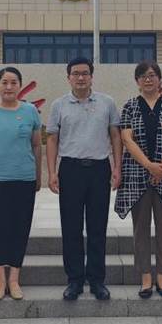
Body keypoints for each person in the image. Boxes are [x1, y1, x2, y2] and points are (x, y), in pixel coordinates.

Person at [46, 57, 122, 302]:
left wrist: (117, 167)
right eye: (76, 73)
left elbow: (115, 136)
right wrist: (52, 172)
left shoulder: (107, 102)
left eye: (85, 73)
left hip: (99, 169)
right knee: (71, 227)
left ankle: (97, 280)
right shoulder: (59, 105)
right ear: (68, 77)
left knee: (97, 227)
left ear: (91, 76)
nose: (80, 77)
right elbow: (52, 139)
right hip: (70, 169)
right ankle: (75, 280)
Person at [115, 60, 162, 299]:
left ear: (160, 79)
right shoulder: (130, 106)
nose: (148, 79)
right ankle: (146, 277)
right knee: (141, 229)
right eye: (143, 76)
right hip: (137, 176)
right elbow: (127, 139)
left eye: (153, 75)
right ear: (137, 81)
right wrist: (149, 166)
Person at [0, 66, 42, 301]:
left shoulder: (30, 111)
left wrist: (38, 175)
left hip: (23, 179)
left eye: (13, 82)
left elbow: (36, 145)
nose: (9, 87)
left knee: (19, 229)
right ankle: (0, 280)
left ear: (20, 85)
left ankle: (14, 279)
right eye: (4, 82)